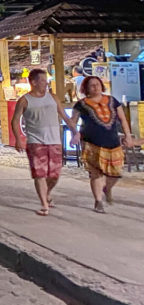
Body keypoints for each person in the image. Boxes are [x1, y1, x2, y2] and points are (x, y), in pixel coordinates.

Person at [11, 69, 80, 216]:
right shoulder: (24, 100)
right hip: (35, 141)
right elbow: (15, 120)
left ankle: (47, 193)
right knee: (39, 174)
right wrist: (18, 139)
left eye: (46, 80)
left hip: (54, 140)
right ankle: (44, 204)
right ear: (34, 82)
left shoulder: (52, 98)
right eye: (43, 80)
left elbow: (65, 117)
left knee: (54, 174)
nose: (46, 83)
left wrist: (75, 132)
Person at [70, 75, 134, 213]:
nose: (96, 87)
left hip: (113, 142)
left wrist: (128, 135)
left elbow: (122, 119)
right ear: (86, 88)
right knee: (96, 173)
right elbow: (72, 121)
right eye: (92, 85)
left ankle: (107, 188)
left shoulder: (112, 101)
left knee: (115, 173)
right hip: (91, 143)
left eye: (98, 84)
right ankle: (98, 201)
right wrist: (75, 134)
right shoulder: (81, 104)